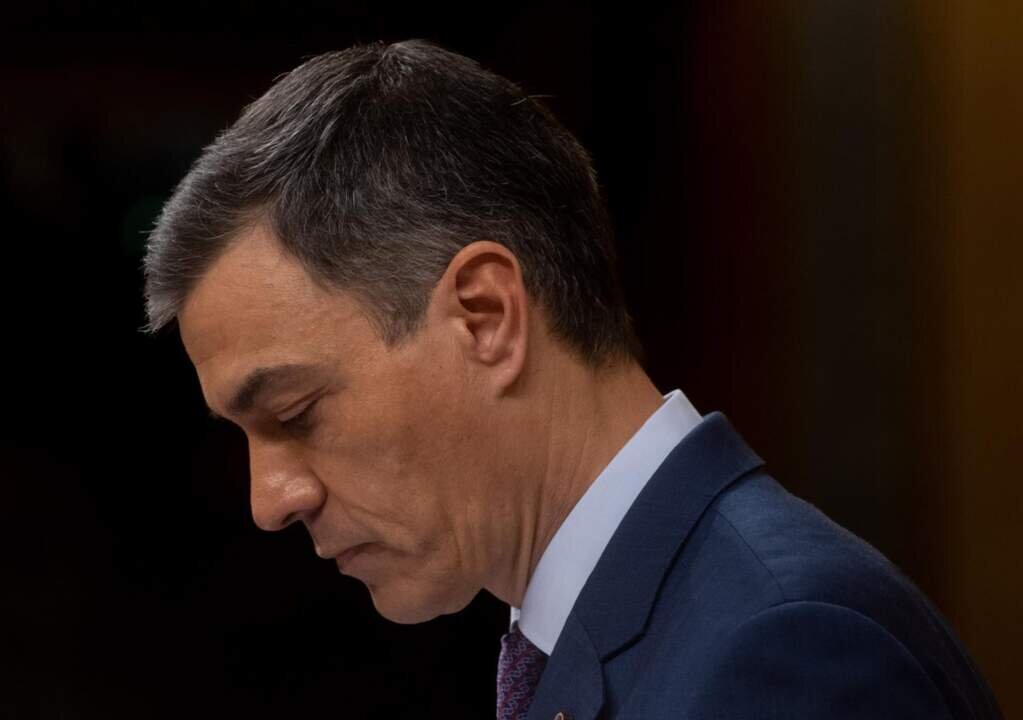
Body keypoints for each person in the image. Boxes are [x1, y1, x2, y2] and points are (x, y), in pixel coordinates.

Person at [141, 39, 1002, 719]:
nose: (268, 500)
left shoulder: (782, 648)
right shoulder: (645, 629)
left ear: (485, 316)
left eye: (295, 411)